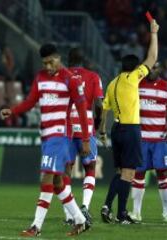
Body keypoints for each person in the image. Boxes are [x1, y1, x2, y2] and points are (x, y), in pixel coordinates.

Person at [0, 43, 91, 236]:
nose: (48, 67)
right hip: (47, 135)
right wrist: (13, 111)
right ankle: (81, 220)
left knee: (46, 178)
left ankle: (36, 226)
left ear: (59, 58)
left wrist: (85, 139)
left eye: (51, 62)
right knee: (57, 183)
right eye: (45, 63)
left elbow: (82, 111)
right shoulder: (40, 77)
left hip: (61, 135)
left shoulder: (71, 80)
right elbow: (30, 102)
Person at [99, 19, 159, 224]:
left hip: (116, 129)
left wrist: (102, 132)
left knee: (121, 172)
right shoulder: (133, 78)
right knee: (129, 172)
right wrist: (154, 33)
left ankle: (110, 207)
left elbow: (103, 109)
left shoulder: (112, 83)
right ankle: (119, 212)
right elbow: (152, 57)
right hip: (131, 129)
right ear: (135, 68)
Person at [61, 47, 104, 226]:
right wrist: (97, 121)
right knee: (90, 168)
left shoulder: (61, 76)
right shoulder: (93, 77)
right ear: (83, 60)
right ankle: (84, 206)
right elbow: (99, 104)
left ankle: (69, 214)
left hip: (66, 127)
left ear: (68, 59)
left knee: (66, 170)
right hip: (86, 126)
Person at [129, 62, 167, 223]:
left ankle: (166, 213)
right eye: (149, 68)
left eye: (155, 68)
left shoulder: (166, 86)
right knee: (138, 174)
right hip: (142, 139)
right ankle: (136, 212)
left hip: (160, 139)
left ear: (160, 69)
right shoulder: (137, 84)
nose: (151, 71)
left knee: (163, 174)